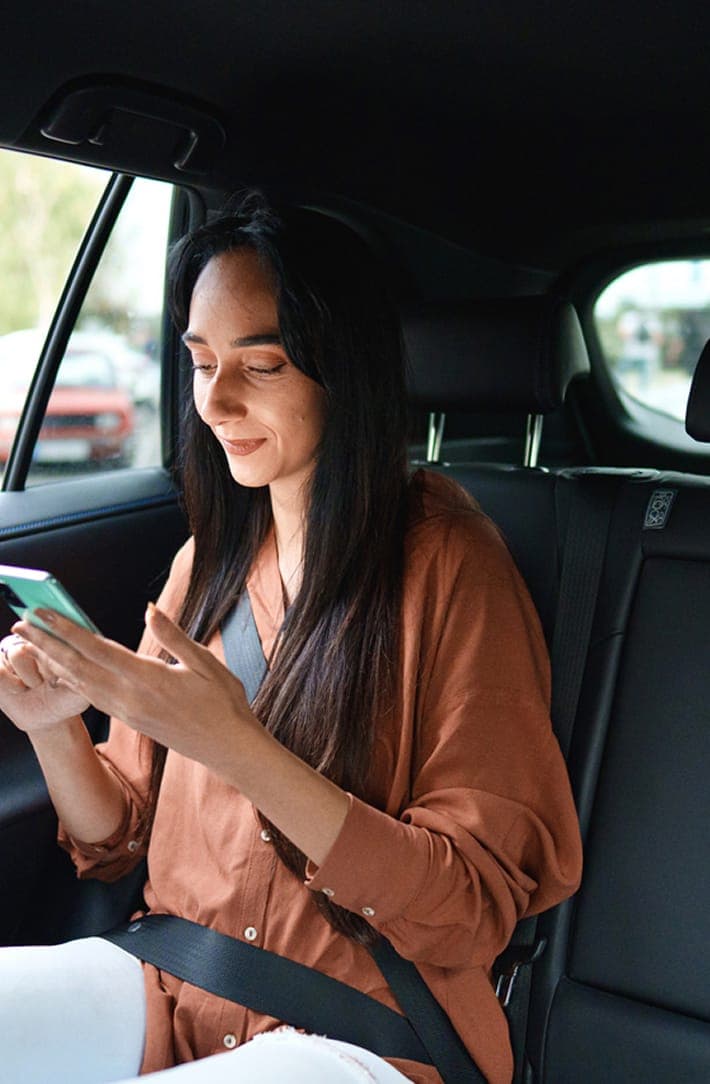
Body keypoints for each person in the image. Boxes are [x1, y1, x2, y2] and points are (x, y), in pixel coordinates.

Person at [0, 193, 582, 1084]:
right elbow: (118, 837)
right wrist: (51, 726)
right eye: (200, 364)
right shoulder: (211, 562)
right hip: (170, 987)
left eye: (260, 365)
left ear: (339, 370)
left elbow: (469, 905)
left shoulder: (450, 564)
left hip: (362, 1031)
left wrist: (235, 747)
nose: (217, 401)